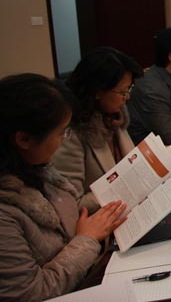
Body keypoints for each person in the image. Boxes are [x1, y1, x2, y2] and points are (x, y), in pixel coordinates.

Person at [0, 73, 126, 301]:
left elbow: (70, 220)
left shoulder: (38, 170)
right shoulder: (6, 210)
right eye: (61, 132)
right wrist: (87, 239)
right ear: (24, 140)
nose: (64, 140)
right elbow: (29, 293)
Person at [53, 47, 143, 212]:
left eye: (128, 90)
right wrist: (123, 189)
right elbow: (72, 203)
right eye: (122, 92)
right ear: (98, 91)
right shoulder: (70, 133)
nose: (127, 97)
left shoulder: (114, 117)